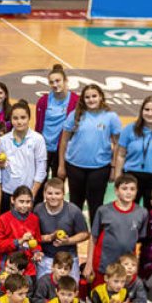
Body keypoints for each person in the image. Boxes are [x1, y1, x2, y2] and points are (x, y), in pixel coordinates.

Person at [58, 84, 121, 218]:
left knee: (96, 205)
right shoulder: (75, 115)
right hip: (74, 166)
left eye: (94, 96)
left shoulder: (111, 117)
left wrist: (114, 167)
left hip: (99, 168)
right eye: (87, 97)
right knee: (75, 205)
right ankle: (74, 237)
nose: (91, 99)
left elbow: (117, 144)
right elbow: (64, 141)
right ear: (83, 99)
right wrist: (61, 165)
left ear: (101, 97)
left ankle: (95, 237)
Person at [84, 174, 148, 283]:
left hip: (126, 268)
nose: (128, 192)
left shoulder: (142, 213)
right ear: (116, 191)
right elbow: (93, 237)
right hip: (103, 265)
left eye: (132, 189)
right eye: (124, 188)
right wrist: (88, 264)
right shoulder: (103, 211)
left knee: (121, 298)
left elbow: (139, 240)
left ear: (137, 191)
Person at [33, 178, 88, 280]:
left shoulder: (73, 211)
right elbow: (33, 236)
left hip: (69, 258)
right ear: (44, 194)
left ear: (63, 194)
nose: (53, 197)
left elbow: (84, 234)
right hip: (46, 257)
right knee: (43, 289)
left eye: (57, 193)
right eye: (50, 193)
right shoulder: (38, 210)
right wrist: (49, 237)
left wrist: (68, 241)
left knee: (71, 290)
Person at [0, 100, 46, 214]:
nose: (19, 122)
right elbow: (1, 167)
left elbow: (41, 169)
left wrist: (32, 195)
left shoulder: (37, 139)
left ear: (29, 118)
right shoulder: (4, 140)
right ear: (10, 119)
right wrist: (0, 163)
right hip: (8, 192)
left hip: (28, 193)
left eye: (23, 117)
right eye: (15, 118)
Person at [34, 64, 78, 188]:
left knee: (57, 185)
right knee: (38, 183)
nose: (55, 84)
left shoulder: (75, 101)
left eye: (58, 81)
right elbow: (38, 126)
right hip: (44, 148)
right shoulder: (43, 101)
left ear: (65, 81)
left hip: (62, 150)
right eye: (51, 82)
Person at [0, 186, 42, 278]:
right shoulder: (4, 219)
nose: (25, 205)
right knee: (4, 291)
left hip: (28, 268)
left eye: (28, 202)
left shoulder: (34, 219)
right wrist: (18, 241)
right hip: (8, 266)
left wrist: (37, 252)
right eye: (21, 201)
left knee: (27, 290)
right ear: (13, 200)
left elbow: (37, 241)